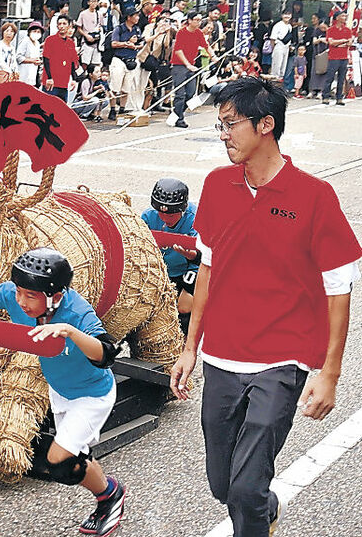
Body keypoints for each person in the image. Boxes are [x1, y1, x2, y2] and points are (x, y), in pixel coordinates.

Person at [171, 77, 362, 537]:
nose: (223, 135)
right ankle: (265, 505)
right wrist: (189, 347)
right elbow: (209, 272)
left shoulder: (314, 196)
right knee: (224, 483)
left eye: (230, 124)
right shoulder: (217, 186)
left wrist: (329, 374)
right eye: (219, 125)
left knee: (244, 487)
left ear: (266, 125)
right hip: (222, 354)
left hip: (283, 358)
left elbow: (339, 287)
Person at [0, 248, 126, 537]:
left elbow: (107, 353)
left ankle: (110, 496)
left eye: (30, 296)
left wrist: (70, 332)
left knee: (60, 464)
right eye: (19, 292)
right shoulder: (16, 296)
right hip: (60, 390)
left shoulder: (76, 311)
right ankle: (110, 493)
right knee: (77, 458)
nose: (21, 301)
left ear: (55, 296)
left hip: (91, 395)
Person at [141, 178, 199, 332]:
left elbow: (206, 258)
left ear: (183, 209)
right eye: (161, 213)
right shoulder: (147, 217)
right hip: (160, 270)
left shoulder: (196, 220)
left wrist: (192, 256)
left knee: (185, 307)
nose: (165, 219)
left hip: (189, 269)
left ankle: (184, 344)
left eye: (172, 215)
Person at [170, 12, 217, 128]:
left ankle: (177, 113)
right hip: (179, 65)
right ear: (189, 20)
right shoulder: (182, 32)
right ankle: (179, 118)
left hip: (191, 66)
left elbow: (206, 46)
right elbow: (178, 50)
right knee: (180, 94)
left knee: (190, 93)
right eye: (196, 20)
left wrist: (213, 56)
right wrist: (187, 64)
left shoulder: (198, 33)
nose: (199, 22)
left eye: (200, 20)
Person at [109, 6, 144, 114]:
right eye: (136, 15)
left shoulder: (137, 29)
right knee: (115, 86)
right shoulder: (119, 29)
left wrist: (136, 46)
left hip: (132, 60)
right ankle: (112, 109)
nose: (138, 17)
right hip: (119, 59)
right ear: (129, 17)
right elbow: (113, 43)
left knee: (127, 87)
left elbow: (141, 43)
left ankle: (122, 108)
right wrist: (127, 44)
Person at [42, 15, 79, 101]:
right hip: (51, 82)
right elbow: (46, 59)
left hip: (64, 82)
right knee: (48, 107)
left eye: (64, 23)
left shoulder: (71, 43)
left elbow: (72, 62)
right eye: (59, 24)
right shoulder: (50, 40)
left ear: (69, 26)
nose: (61, 26)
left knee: (61, 109)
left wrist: (74, 78)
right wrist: (49, 78)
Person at [322, 11, 353, 105]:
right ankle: (325, 96)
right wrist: (342, 41)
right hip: (334, 57)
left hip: (344, 57)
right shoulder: (331, 30)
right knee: (330, 77)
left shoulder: (347, 30)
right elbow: (331, 42)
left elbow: (349, 43)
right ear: (337, 18)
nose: (344, 17)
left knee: (341, 78)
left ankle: (339, 97)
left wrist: (338, 43)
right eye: (342, 16)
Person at [76, 0, 103, 66]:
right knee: (85, 63)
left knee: (96, 63)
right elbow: (79, 28)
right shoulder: (83, 14)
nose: (94, 3)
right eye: (92, 1)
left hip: (96, 42)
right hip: (86, 41)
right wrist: (86, 35)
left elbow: (101, 26)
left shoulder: (99, 14)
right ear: (88, 3)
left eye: (96, 1)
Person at [17, 21, 44, 88]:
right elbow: (18, 57)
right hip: (23, 76)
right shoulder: (25, 41)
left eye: (38, 32)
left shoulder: (37, 43)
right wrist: (32, 60)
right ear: (29, 32)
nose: (36, 33)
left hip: (32, 77)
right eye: (34, 31)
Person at [270, 11, 293, 79]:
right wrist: (273, 49)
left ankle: (280, 81)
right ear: (282, 15)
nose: (287, 16)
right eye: (285, 14)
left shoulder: (289, 26)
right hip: (278, 45)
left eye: (288, 14)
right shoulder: (278, 25)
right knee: (277, 66)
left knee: (283, 66)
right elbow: (272, 39)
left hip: (286, 47)